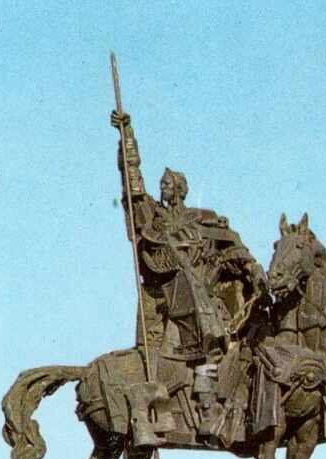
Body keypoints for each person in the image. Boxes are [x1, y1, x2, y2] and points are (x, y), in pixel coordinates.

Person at [111, 109, 266, 440]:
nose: (163, 186)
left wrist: (253, 268)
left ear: (180, 188)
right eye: (162, 183)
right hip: (164, 293)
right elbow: (132, 187)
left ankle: (211, 407)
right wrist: (127, 140)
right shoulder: (154, 217)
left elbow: (234, 249)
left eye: (168, 183)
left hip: (202, 297)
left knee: (215, 337)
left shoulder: (202, 218)